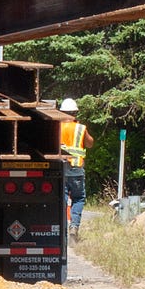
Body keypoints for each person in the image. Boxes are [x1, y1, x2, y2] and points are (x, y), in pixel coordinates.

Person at [59, 98, 94, 240]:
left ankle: (62, 231)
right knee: (78, 199)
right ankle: (74, 227)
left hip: (60, 168)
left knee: (61, 200)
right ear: (75, 113)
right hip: (76, 168)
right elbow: (90, 143)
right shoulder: (80, 128)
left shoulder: (56, 127)